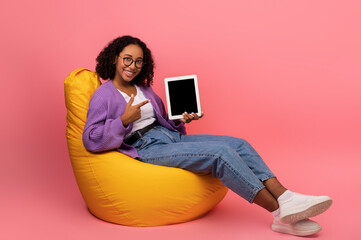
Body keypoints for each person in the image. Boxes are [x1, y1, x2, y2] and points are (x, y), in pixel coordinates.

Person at [82, 35, 332, 236]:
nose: (133, 66)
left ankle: (287, 196)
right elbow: (91, 139)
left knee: (239, 144)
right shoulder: (104, 95)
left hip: (168, 137)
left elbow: (162, 119)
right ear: (114, 58)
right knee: (219, 154)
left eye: (138, 62)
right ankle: (281, 212)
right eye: (127, 59)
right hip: (145, 147)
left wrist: (179, 120)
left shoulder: (143, 87)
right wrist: (123, 121)